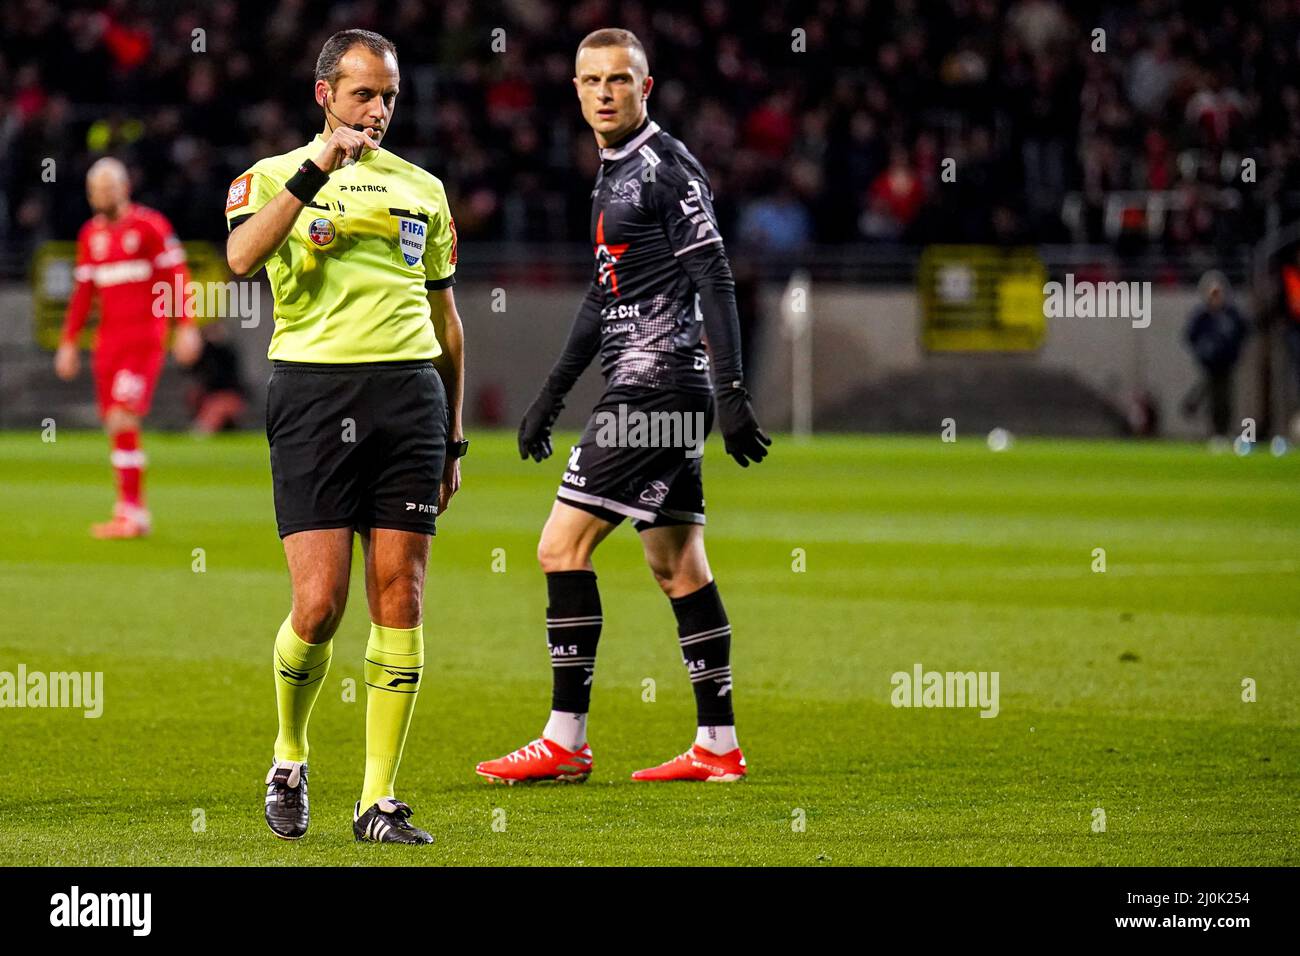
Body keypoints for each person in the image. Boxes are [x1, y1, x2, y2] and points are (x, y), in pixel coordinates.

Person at [475, 28, 770, 786]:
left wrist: (733, 390)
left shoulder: (668, 170)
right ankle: (717, 746)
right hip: (647, 385)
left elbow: (717, 279)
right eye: (590, 80)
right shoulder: (610, 173)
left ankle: (565, 738)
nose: (604, 92)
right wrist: (551, 394)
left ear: (647, 87)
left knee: (558, 548)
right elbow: (599, 297)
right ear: (576, 90)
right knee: (677, 566)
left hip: (659, 387)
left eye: (618, 79)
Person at [224, 29, 466, 844]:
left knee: (400, 594)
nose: (379, 110)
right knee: (320, 604)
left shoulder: (423, 189)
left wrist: (456, 432)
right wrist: (314, 172)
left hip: (409, 396)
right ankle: (289, 755)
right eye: (364, 93)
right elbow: (240, 258)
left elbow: (445, 317)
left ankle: (378, 801)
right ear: (324, 94)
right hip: (313, 394)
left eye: (390, 95)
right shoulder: (266, 178)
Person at [55, 157, 202, 538]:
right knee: (114, 424)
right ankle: (128, 511)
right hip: (108, 343)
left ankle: (133, 515)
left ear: (124, 188)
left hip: (143, 339)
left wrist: (185, 326)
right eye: (95, 190)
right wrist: (68, 342)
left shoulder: (150, 227)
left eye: (108, 187)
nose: (101, 195)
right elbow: (84, 293)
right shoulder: (90, 235)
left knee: (123, 417)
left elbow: (176, 276)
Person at [1182, 270, 1249, 441]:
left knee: (1225, 398)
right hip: (1209, 363)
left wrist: (1235, 351)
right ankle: (1216, 431)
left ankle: (1223, 429)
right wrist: (1202, 350)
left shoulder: (1231, 315)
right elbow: (1190, 336)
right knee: (1213, 397)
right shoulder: (1202, 316)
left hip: (1227, 363)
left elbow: (1244, 332)